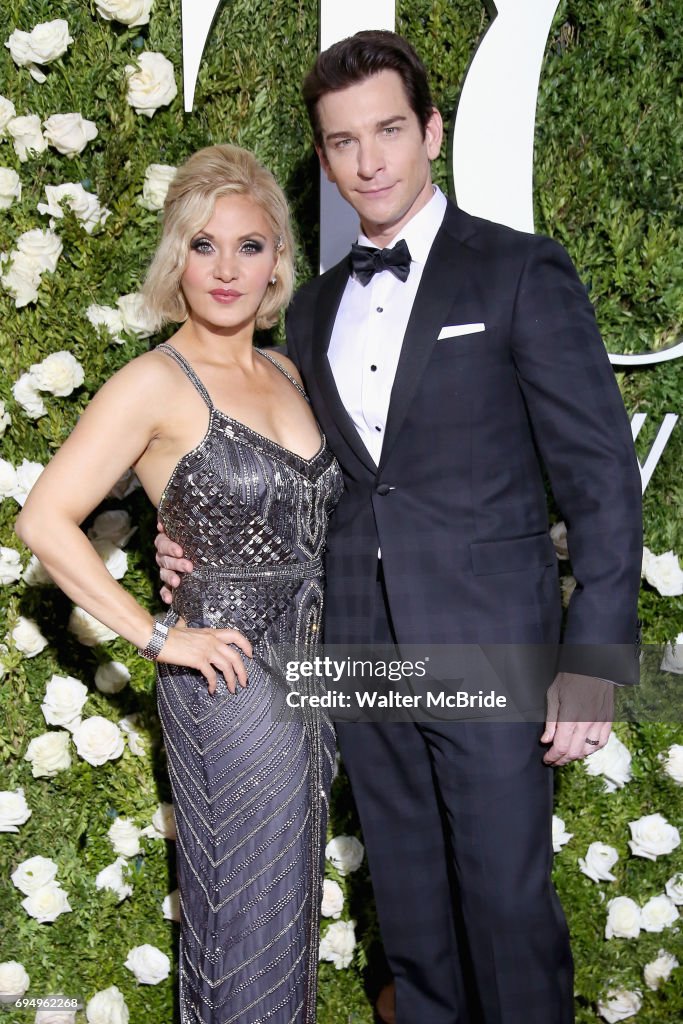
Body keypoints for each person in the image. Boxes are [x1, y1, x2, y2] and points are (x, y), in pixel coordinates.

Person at [156, 33, 643, 1024]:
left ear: (429, 131)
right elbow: (292, 471)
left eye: (386, 131)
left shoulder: (517, 272)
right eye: (342, 142)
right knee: (412, 919)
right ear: (325, 159)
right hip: (359, 654)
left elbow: (599, 479)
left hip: (488, 646)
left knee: (506, 912)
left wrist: (590, 658)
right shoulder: (310, 310)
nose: (368, 160)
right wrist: (194, 539)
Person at [16, 144, 342, 1024]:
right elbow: (43, 520)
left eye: (250, 245)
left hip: (315, 672)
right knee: (242, 916)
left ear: (278, 259)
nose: (227, 269)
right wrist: (161, 635)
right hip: (228, 679)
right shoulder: (153, 382)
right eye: (204, 246)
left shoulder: (289, 371)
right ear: (176, 258)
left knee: (285, 914)